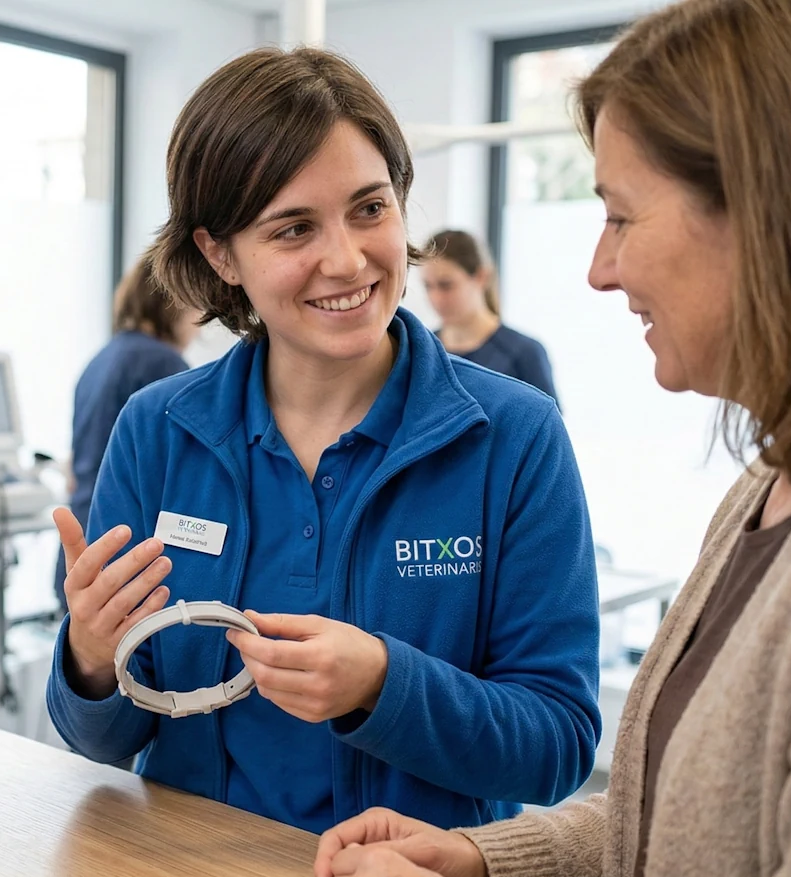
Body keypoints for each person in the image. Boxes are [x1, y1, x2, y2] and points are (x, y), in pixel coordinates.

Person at [315, 0, 791, 877]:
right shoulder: (772, 484)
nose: (600, 268)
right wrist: (487, 859)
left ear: (773, 215)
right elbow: (681, 818)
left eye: (622, 217)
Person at [44, 45, 601, 836]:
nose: (346, 259)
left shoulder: (514, 435)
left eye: (370, 208)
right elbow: (99, 739)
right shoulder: (157, 431)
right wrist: (92, 660)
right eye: (293, 227)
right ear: (218, 253)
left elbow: (559, 745)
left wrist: (384, 683)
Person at [54, 257, 201, 601]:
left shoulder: (103, 358)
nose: (198, 326)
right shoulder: (163, 365)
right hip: (124, 553)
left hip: (84, 543)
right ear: (174, 305)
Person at [422, 229, 558, 403]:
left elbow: (548, 427)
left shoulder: (524, 353)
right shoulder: (423, 350)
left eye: (446, 285)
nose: (436, 299)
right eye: (428, 286)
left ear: (481, 277)